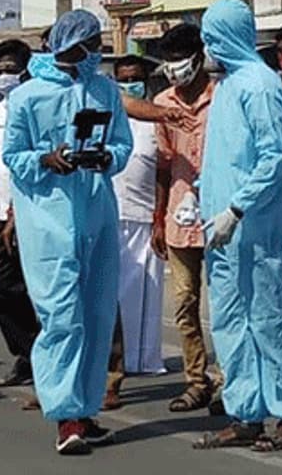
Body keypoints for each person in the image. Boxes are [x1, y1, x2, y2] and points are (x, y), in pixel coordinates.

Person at [3, 10, 132, 455]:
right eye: (92, 42)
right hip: (49, 221)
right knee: (62, 318)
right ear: (71, 44)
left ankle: (86, 406)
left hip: (96, 213)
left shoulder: (104, 89)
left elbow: (122, 144)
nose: (98, 50)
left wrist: (106, 158)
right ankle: (65, 415)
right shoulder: (27, 97)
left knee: (96, 317)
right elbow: (13, 155)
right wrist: (45, 159)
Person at [192, 0, 282, 452]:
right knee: (231, 324)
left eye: (209, 37)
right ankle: (245, 412)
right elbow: (229, 157)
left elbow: (274, 157)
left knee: (273, 319)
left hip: (253, 230)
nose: (205, 47)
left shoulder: (259, 87)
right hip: (222, 233)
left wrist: (236, 208)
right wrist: (202, 196)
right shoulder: (228, 86)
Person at [151, 24, 217, 413]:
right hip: (179, 214)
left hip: (221, 212)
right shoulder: (163, 103)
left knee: (224, 303)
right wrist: (158, 216)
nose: (175, 68)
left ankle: (227, 378)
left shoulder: (222, 97)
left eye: (180, 59)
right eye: (169, 60)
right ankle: (196, 379)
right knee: (184, 301)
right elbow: (162, 164)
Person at [0, 39, 41, 390]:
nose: (4, 75)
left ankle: (43, 359)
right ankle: (27, 351)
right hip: (1, 213)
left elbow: (29, 162)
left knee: (35, 288)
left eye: (10, 68)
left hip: (29, 211)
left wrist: (18, 212)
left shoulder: (32, 104)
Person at [112, 57, 165, 379]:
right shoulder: (109, 118)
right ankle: (113, 362)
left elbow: (163, 171)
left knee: (145, 294)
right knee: (113, 295)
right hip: (110, 215)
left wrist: (159, 217)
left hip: (144, 218)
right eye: (123, 79)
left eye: (135, 78)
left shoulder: (155, 120)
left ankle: (142, 360)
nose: (129, 83)